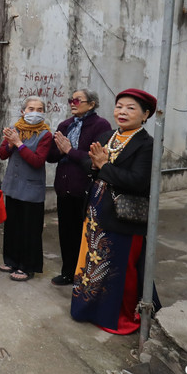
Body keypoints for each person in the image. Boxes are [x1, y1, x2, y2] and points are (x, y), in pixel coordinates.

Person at [71, 89, 160, 335]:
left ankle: (120, 317)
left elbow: (137, 182)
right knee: (92, 263)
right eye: (119, 106)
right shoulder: (108, 135)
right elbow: (93, 166)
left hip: (124, 215)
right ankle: (89, 309)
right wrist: (93, 165)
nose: (122, 111)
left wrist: (103, 166)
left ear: (145, 115)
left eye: (131, 108)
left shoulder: (148, 145)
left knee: (121, 268)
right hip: (97, 212)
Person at [46, 89, 112, 286]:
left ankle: (86, 276)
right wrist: (60, 151)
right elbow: (50, 156)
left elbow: (94, 160)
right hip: (64, 187)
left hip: (86, 188)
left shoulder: (101, 125)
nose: (72, 103)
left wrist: (69, 150)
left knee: (87, 235)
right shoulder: (65, 125)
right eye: (70, 100)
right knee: (66, 233)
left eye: (77, 100)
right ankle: (68, 272)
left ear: (91, 104)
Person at [0, 96, 53, 282]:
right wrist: (11, 143)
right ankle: (12, 260)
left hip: (31, 189)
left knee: (29, 230)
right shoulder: (15, 129)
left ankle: (27, 267)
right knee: (13, 226)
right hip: (13, 186)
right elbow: (2, 154)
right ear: (23, 111)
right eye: (31, 109)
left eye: (39, 109)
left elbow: (37, 161)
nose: (35, 113)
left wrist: (19, 144)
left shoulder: (45, 135)